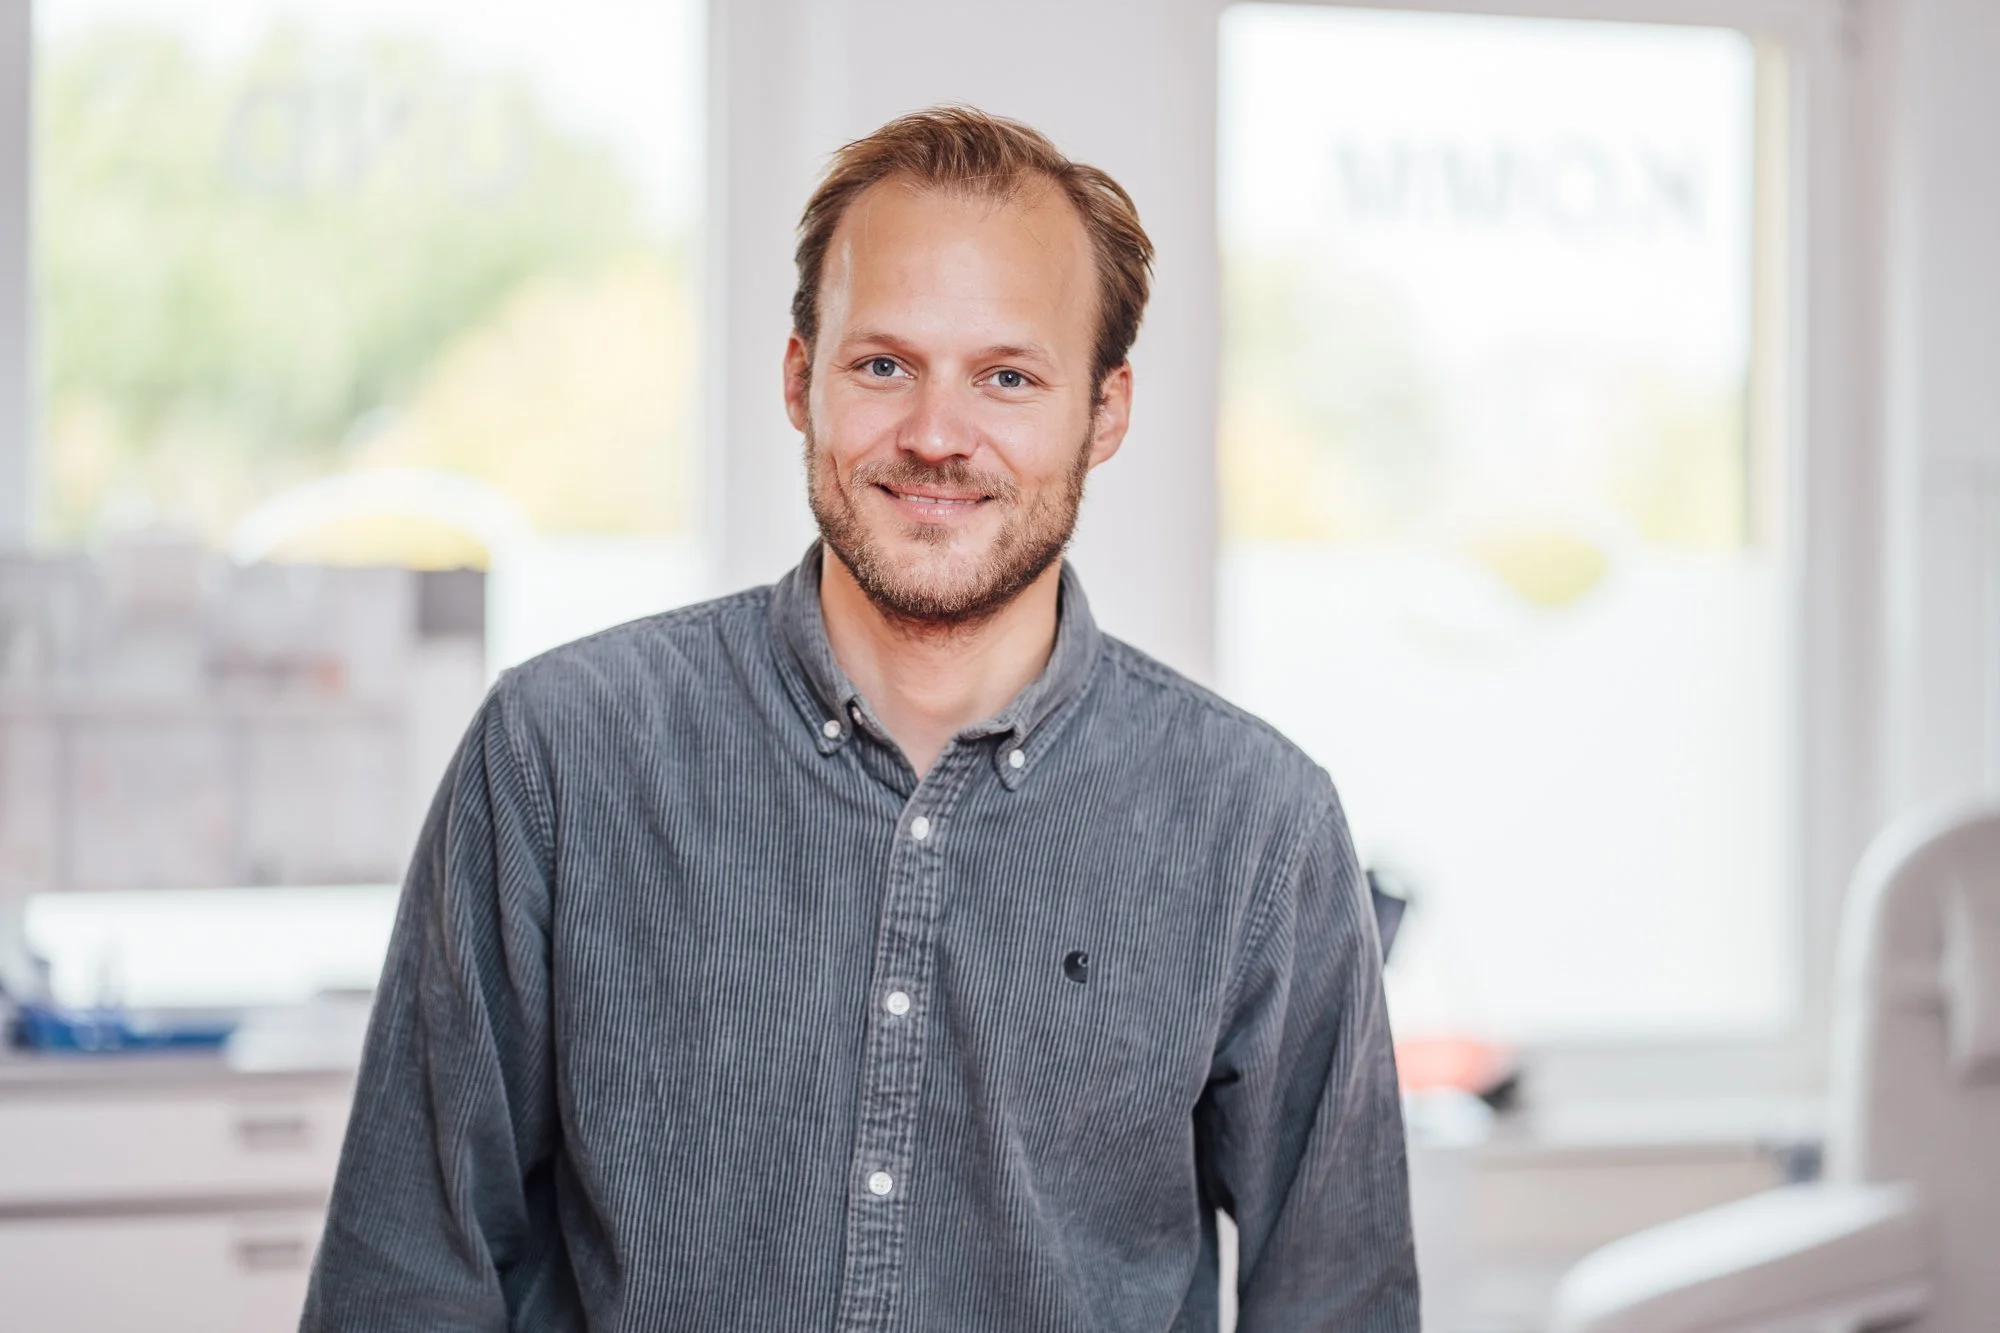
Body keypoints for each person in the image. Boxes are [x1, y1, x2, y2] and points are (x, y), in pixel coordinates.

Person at [301, 106, 1417, 1333]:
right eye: (883, 364)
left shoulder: (1257, 828)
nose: (936, 436)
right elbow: (403, 1275)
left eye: (1007, 376)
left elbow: (1338, 1306)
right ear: (800, 380)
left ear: (1103, 412)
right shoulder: (558, 758)